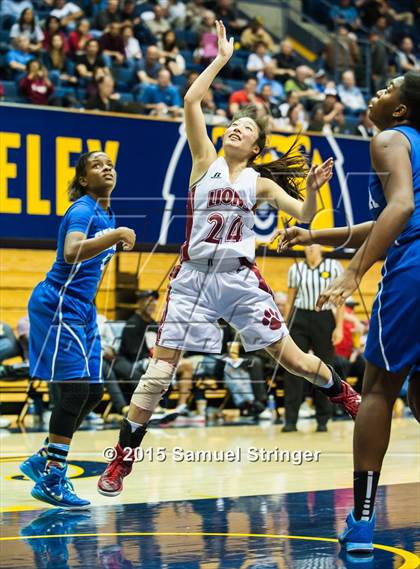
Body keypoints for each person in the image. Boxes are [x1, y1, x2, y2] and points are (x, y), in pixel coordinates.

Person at [97, 21, 360, 498]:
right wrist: (220, 60)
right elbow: (192, 101)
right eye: (233, 124)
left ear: (256, 147)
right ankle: (120, 461)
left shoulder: (259, 182)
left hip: (239, 279)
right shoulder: (204, 162)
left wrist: (316, 191)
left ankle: (343, 393)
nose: (234, 128)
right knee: (158, 374)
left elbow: (304, 215)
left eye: (245, 129)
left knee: (296, 361)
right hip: (193, 277)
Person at [273, 71, 420, 553]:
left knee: (378, 389)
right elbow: (388, 216)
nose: (379, 91)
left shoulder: (388, 139)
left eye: (390, 88)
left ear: (400, 110)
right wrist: (316, 236)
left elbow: (398, 210)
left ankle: (360, 522)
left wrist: (356, 270)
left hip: (413, 267)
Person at [19, 151, 136, 508]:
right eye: (97, 165)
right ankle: (53, 476)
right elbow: (71, 253)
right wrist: (115, 234)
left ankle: (42, 458)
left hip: (81, 310)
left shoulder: (106, 212)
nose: (107, 167)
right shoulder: (83, 210)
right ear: (84, 180)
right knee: (72, 392)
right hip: (57, 306)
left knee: (95, 391)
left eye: (110, 163)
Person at [282, 245, 344, 432]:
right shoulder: (295, 269)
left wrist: (339, 327)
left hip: (324, 318)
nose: (310, 249)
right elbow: (290, 300)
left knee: (324, 366)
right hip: (299, 317)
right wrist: (284, 325)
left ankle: (323, 419)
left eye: (313, 245)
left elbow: (339, 300)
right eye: (307, 246)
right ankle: (290, 420)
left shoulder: (333, 266)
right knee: (293, 367)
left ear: (321, 249)